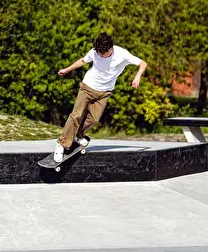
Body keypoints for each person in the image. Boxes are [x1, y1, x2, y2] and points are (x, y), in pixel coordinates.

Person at [53, 32, 147, 163]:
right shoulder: (95, 51)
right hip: (87, 87)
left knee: (94, 119)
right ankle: (61, 144)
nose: (100, 56)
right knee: (76, 115)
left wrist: (137, 76)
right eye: (98, 53)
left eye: (103, 53)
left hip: (105, 92)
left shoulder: (122, 54)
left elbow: (143, 63)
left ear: (111, 48)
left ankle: (78, 135)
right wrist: (67, 69)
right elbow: (83, 60)